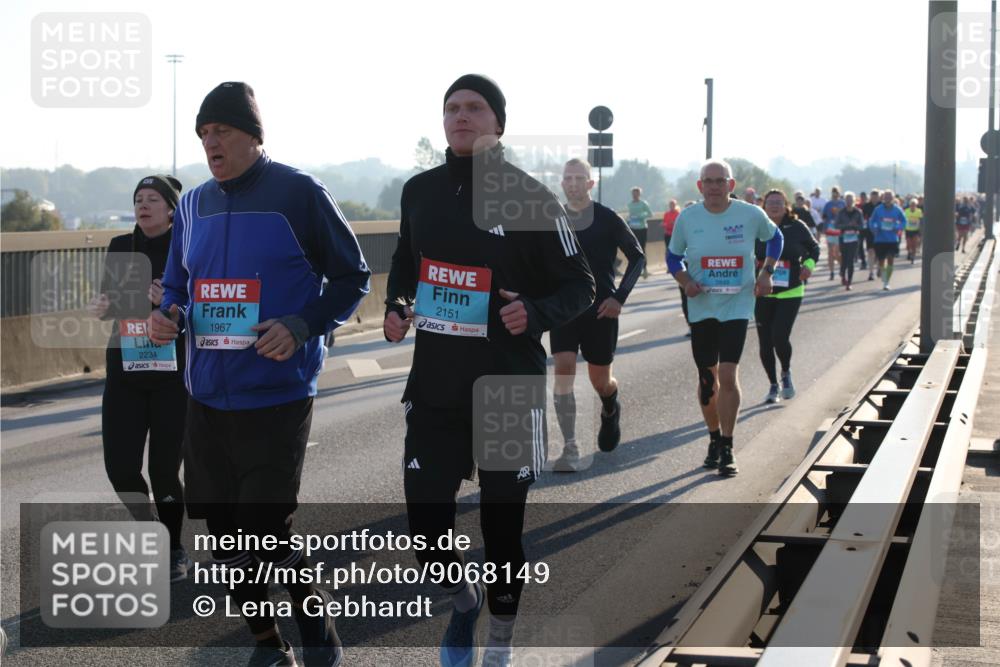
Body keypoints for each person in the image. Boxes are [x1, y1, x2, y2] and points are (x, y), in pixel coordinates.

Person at [149, 81, 371, 667]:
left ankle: (315, 628)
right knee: (225, 540)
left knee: (263, 531)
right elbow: (177, 283)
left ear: (252, 136)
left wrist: (302, 324)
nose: (209, 142)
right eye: (202, 134)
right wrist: (167, 314)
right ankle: (269, 644)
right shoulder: (193, 204)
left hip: (277, 393)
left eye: (220, 131)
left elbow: (353, 276)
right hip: (205, 397)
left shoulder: (298, 193)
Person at [382, 74, 595, 667]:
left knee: (502, 530)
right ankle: (463, 598)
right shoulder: (418, 191)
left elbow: (581, 283)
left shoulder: (531, 197)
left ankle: (500, 637)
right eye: (452, 107)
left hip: (508, 384)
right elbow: (405, 260)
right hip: (435, 384)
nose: (461, 115)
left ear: (498, 123)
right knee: (425, 528)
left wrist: (537, 311)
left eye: (475, 107)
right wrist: (399, 303)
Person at [89, 174, 192, 582]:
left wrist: (168, 301)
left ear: (170, 209)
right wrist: (103, 306)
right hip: (125, 370)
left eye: (152, 199)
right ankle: (149, 528)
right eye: (138, 199)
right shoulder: (120, 247)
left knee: (165, 471)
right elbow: (111, 300)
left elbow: (198, 302)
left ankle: (173, 548)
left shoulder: (186, 246)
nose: (143, 205)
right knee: (121, 468)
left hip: (171, 373)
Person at [667, 159, 783, 477]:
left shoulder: (749, 214)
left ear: (731, 185)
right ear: (700, 186)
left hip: (737, 304)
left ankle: (729, 447)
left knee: (728, 376)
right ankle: (714, 439)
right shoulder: (688, 218)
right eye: (709, 181)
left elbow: (776, 238)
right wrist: (686, 282)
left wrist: (766, 273)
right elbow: (672, 256)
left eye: (721, 181)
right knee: (708, 381)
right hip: (702, 306)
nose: (715, 187)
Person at [550, 158, 644, 472]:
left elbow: (637, 258)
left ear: (590, 184)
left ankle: (609, 405)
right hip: (564, 309)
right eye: (568, 178)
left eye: (579, 178)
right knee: (563, 371)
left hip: (601, 310)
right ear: (562, 184)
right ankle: (570, 446)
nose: (573, 183)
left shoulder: (607, 219)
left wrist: (619, 298)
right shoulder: (552, 219)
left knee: (600, 380)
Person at [756, 190, 819, 403]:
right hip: (763, 291)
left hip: (791, 289)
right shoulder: (757, 227)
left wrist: (808, 266)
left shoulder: (797, 226)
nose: (774, 206)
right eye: (770, 202)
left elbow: (814, 248)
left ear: (786, 205)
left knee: (779, 336)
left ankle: (786, 373)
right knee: (765, 342)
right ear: (764, 205)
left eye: (778, 202)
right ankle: (773, 385)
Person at [868, 188, 907, 291]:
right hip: (880, 239)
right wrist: (874, 229)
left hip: (892, 239)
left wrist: (897, 228)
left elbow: (904, 221)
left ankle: (886, 282)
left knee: (890, 259)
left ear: (893, 198)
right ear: (883, 198)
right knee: (881, 261)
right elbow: (871, 222)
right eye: (886, 197)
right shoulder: (878, 209)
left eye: (890, 197)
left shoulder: (897, 209)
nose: (888, 198)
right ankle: (884, 276)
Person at [835, 192, 865, 290]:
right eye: (847, 200)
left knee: (851, 260)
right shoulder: (841, 212)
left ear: (854, 201)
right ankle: (843, 275)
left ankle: (849, 282)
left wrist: (854, 226)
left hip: (854, 238)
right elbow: (836, 225)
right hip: (843, 238)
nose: (849, 202)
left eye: (851, 200)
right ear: (845, 201)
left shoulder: (858, 212)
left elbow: (862, 226)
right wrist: (847, 225)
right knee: (844, 259)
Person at [627, 186, 654, 277]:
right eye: (633, 193)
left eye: (636, 193)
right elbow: (630, 214)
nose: (634, 195)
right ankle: (634, 269)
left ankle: (644, 268)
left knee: (642, 248)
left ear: (639, 194)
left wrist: (641, 215)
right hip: (633, 228)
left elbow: (650, 214)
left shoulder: (643, 203)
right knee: (634, 248)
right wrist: (630, 218)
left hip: (642, 228)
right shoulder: (630, 204)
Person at [821, 186, 845, 281]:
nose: (835, 194)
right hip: (830, 229)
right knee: (830, 252)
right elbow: (823, 216)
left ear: (839, 193)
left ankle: (841, 267)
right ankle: (831, 272)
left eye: (836, 192)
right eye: (833, 192)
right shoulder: (828, 204)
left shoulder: (842, 203)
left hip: (840, 230)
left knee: (837, 252)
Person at [862, 189, 881, 280]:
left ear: (878, 197)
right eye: (873, 196)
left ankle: (879, 268)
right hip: (869, 232)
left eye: (876, 196)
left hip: (880, 232)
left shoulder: (882, 206)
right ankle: (871, 273)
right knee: (870, 252)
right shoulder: (866, 206)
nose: (874, 198)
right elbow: (863, 219)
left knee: (878, 252)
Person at [904, 197, 923, 262]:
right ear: (910, 205)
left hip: (916, 230)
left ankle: (913, 257)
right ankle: (909, 252)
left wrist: (920, 228)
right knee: (909, 244)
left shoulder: (919, 211)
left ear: (916, 205)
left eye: (914, 205)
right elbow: (904, 220)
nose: (913, 206)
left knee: (914, 244)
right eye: (911, 205)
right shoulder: (906, 211)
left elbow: (921, 220)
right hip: (908, 229)